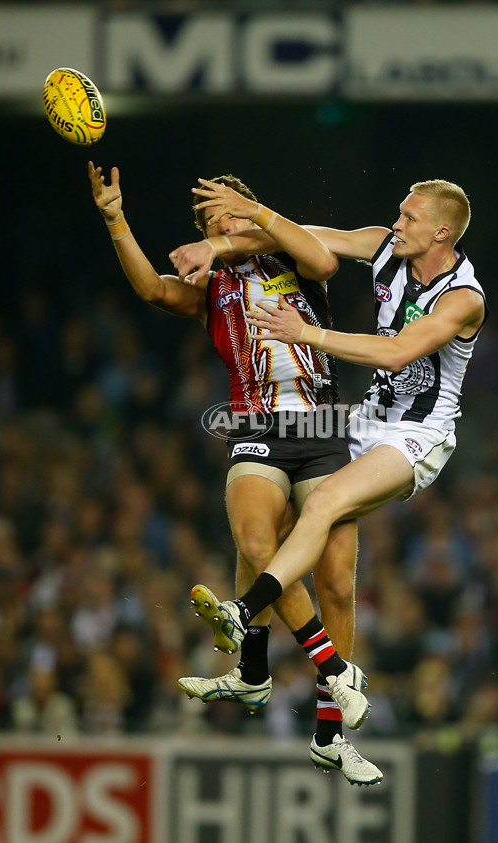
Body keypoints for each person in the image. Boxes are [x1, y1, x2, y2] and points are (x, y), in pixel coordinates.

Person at [88, 163, 382, 786]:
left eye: (228, 210)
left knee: (335, 582)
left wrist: (252, 218)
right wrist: (116, 220)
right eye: (207, 218)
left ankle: (324, 732)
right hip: (255, 429)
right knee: (257, 544)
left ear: (252, 208)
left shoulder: (295, 250)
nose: (218, 222)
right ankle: (330, 672)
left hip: (322, 429)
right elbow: (153, 290)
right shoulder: (214, 284)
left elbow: (327, 265)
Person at [170, 177, 487, 729]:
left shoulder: (463, 299)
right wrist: (217, 244)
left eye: (409, 218)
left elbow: (396, 353)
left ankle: (245, 615)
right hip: (366, 419)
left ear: (441, 232)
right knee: (278, 535)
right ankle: (283, 694)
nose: (397, 224)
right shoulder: (384, 247)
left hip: (419, 433)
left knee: (321, 508)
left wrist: (304, 334)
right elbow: (292, 243)